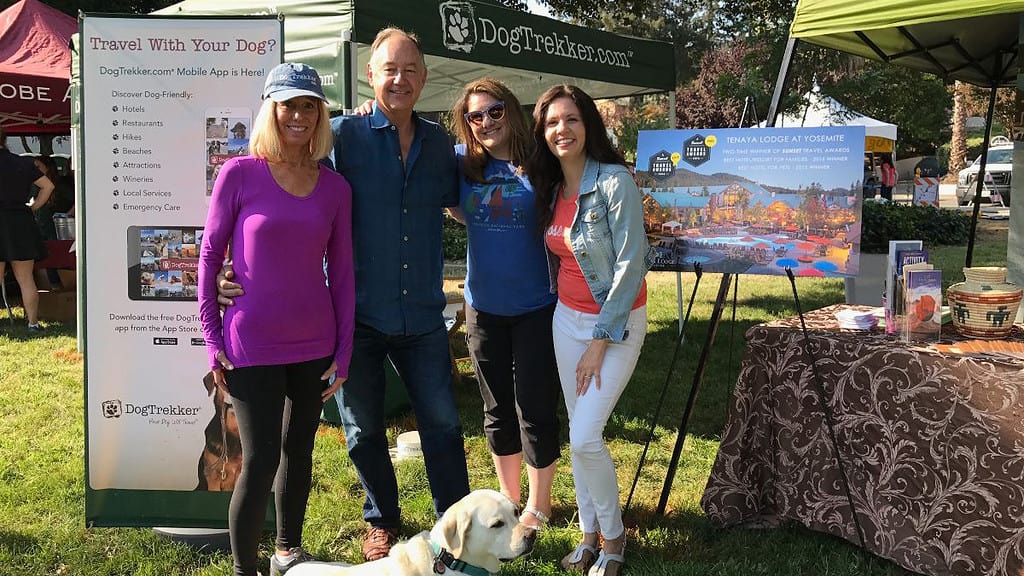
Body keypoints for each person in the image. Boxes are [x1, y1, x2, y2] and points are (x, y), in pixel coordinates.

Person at [217, 28, 470, 562]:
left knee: (443, 424)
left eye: (409, 70)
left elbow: (465, 203)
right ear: (370, 77)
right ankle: (382, 521)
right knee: (362, 431)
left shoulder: (440, 147)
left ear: (424, 79)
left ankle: (457, 526)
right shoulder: (345, 138)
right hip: (357, 315)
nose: (399, 79)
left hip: (423, 313)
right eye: (388, 70)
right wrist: (225, 271)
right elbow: (278, 194)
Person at [198, 62, 355, 576]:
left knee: (300, 452)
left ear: (319, 115)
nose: (299, 115)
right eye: (289, 104)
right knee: (260, 459)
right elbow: (208, 256)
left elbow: (345, 273)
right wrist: (211, 338)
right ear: (272, 109)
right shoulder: (239, 174)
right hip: (251, 343)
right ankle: (247, 569)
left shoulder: (334, 187)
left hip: (314, 342)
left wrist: (345, 349)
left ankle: (288, 549)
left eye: (309, 105)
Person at [526, 85, 652, 576]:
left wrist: (600, 341)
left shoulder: (615, 182)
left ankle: (615, 540)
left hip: (615, 325)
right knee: (581, 435)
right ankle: (588, 535)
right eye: (552, 122)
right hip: (566, 320)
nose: (562, 129)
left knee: (583, 437)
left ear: (588, 125)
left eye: (571, 119)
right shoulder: (550, 186)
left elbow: (631, 264)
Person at [449, 78, 560, 530]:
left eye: (494, 111)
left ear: (511, 110)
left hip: (537, 305)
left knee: (534, 405)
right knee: (495, 408)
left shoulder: (541, 162)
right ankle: (509, 501)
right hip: (483, 308)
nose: (486, 122)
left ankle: (539, 504)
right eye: (475, 116)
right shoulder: (461, 164)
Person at [0, 126, 54, 332]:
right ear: (5, 140)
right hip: (20, 222)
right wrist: (34, 207)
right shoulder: (22, 162)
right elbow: (48, 186)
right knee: (26, 278)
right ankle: (33, 323)